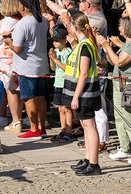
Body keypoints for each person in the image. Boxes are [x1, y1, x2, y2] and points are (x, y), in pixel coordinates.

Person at [60, 12, 103, 175]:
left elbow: (84, 74)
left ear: (76, 27)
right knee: (85, 126)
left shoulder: (85, 46)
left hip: (86, 93)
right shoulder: (81, 44)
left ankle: (94, 163)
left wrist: (76, 96)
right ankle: (88, 159)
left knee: (90, 126)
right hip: (83, 92)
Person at [7, 0, 49, 140]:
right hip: (41, 64)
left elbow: (17, 48)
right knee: (40, 97)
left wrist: (8, 42)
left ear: (23, 6)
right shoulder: (42, 20)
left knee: (29, 98)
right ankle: (42, 127)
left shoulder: (23, 23)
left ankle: (33, 128)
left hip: (26, 66)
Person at [97, 16, 131, 163]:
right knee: (119, 117)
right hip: (118, 84)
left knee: (128, 117)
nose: (118, 28)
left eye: (120, 25)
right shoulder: (125, 45)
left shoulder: (129, 46)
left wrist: (108, 46)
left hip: (127, 85)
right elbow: (112, 62)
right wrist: (106, 46)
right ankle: (125, 148)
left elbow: (119, 61)